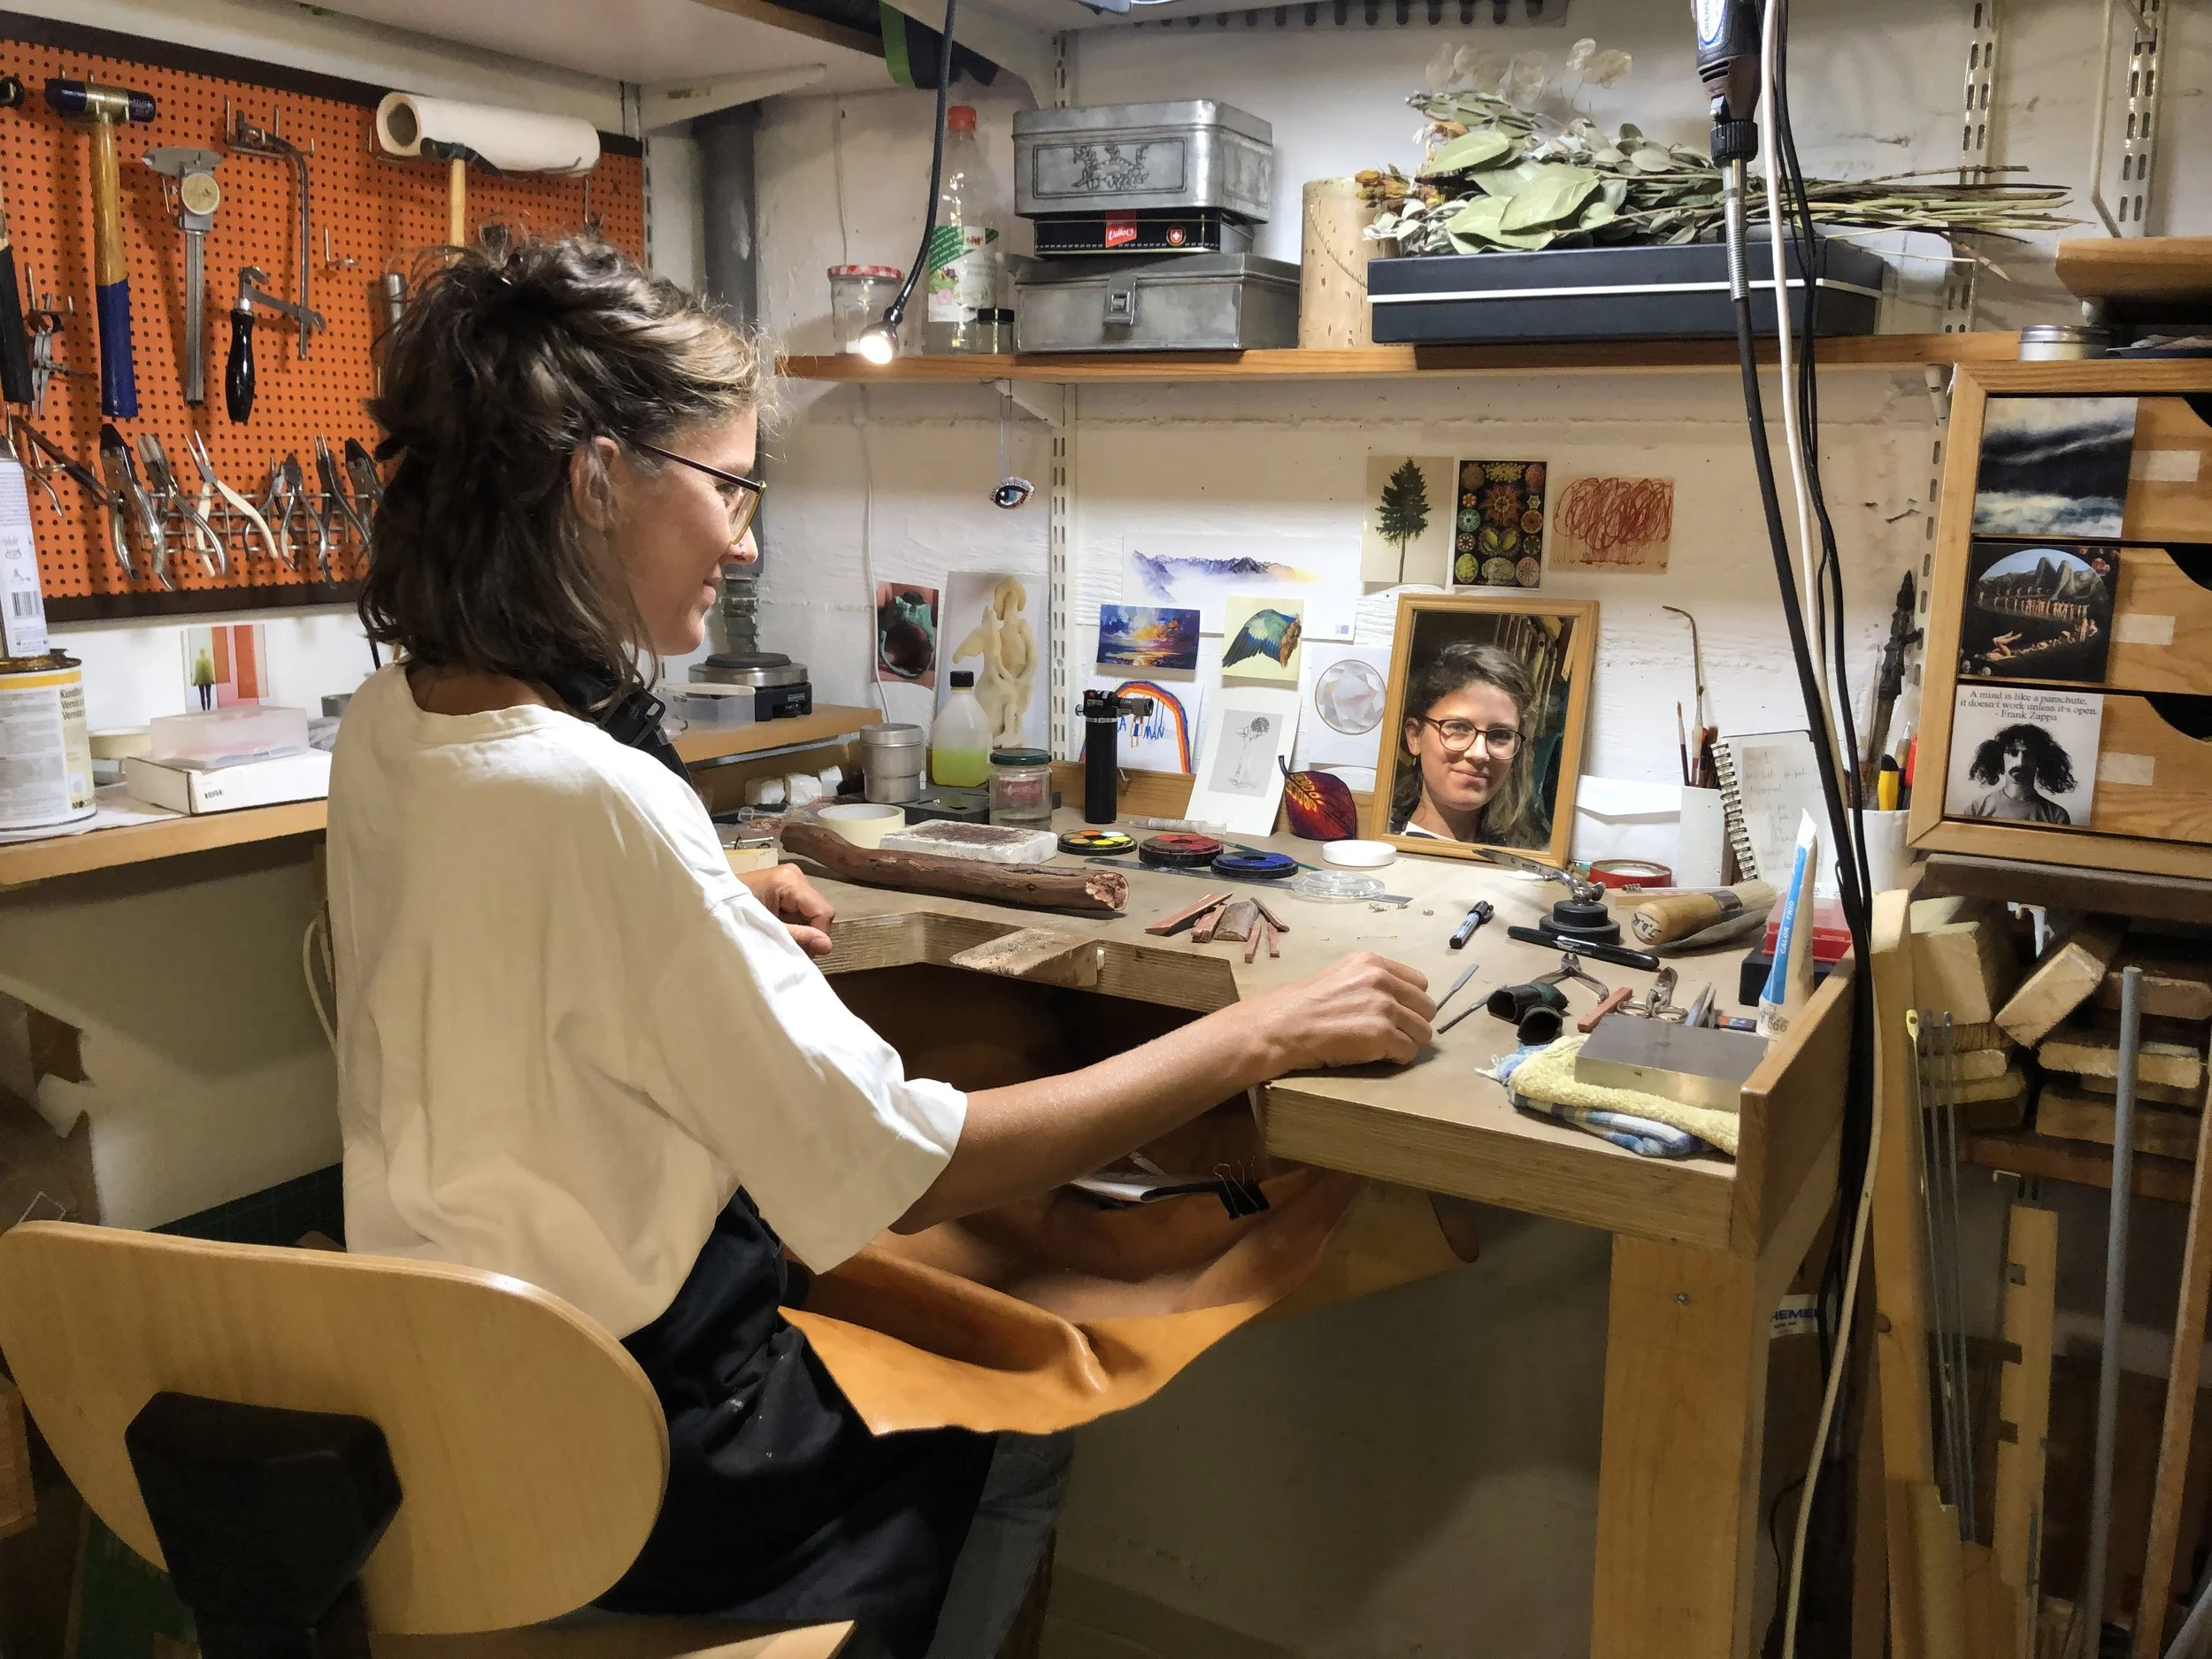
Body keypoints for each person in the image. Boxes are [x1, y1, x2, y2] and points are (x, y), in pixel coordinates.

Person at [327, 239, 1435, 1659]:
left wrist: (708, 895)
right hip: (640, 1448)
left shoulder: (393, 725)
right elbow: (914, 1164)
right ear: (596, 480)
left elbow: (505, 910)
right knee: (1021, 1389)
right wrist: (1254, 1034)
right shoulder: (601, 797)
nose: (744, 536)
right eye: (729, 485)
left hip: (436, 1400)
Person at [1387, 640, 1544, 847]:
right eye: (1458, 728)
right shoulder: (1381, 850)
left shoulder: (1528, 859)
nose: (1479, 753)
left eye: (1501, 735)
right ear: (1415, 736)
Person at [1963, 721, 2076, 824]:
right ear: (2000, 758)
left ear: (2039, 760)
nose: (2020, 762)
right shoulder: (1976, 808)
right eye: (2013, 753)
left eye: (2028, 755)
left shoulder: (2056, 816)